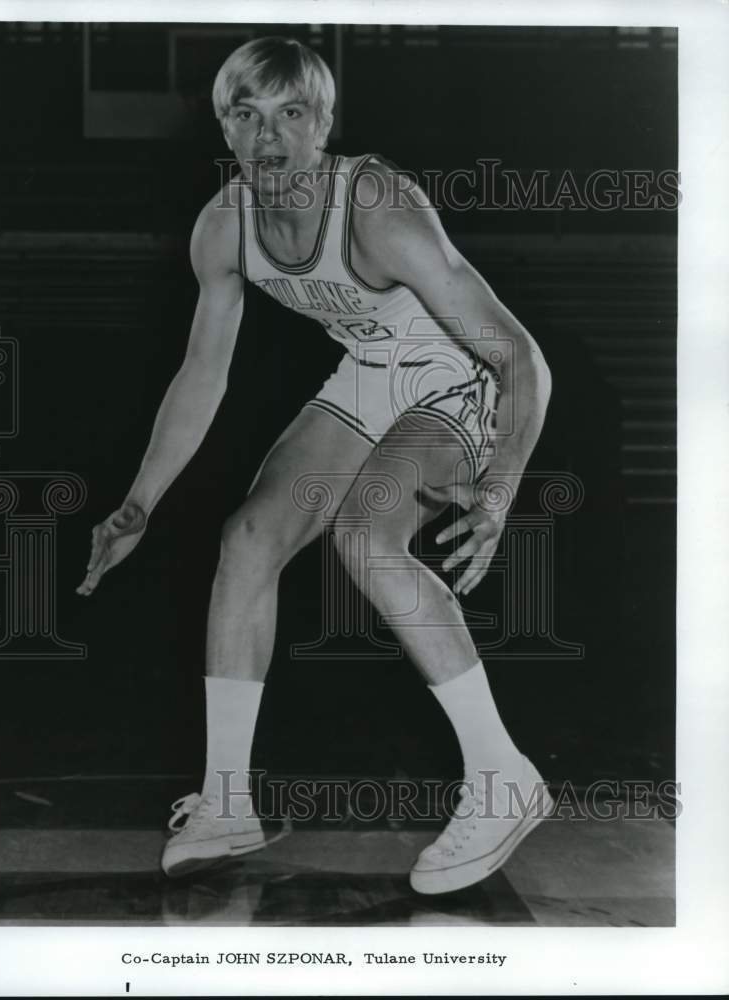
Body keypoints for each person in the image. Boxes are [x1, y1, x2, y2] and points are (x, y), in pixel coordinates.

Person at [77, 36, 554, 895]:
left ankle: (503, 775)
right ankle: (228, 802)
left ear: (325, 124)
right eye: (246, 114)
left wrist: (501, 487)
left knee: (366, 535)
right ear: (223, 126)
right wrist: (139, 502)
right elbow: (202, 372)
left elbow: (519, 355)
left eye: (291, 114)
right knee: (250, 536)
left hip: (461, 375)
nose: (269, 138)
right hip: (371, 371)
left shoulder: (376, 206)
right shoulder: (223, 227)